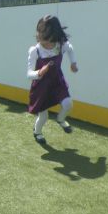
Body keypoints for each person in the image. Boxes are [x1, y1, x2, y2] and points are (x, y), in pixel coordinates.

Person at [27, 14, 78, 145]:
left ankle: (60, 119)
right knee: (43, 116)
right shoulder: (35, 51)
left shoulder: (60, 45)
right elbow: (29, 74)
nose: (39, 35)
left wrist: (73, 62)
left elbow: (70, 48)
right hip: (41, 87)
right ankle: (37, 132)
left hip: (57, 82)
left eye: (43, 32)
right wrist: (39, 72)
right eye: (38, 31)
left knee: (68, 104)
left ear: (54, 35)